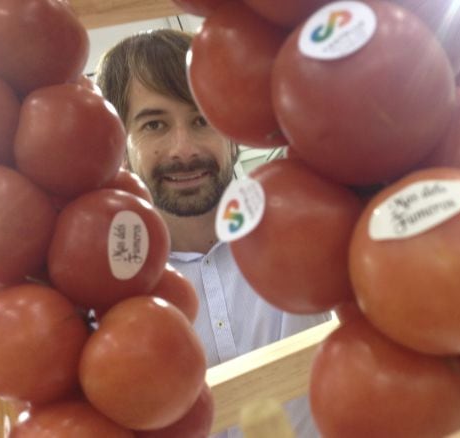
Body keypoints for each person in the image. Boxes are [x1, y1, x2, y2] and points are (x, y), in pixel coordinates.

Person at [95, 28, 330, 438]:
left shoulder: (304, 233)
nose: (183, 149)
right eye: (154, 125)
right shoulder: (105, 290)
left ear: (234, 132)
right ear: (122, 146)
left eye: (202, 120)